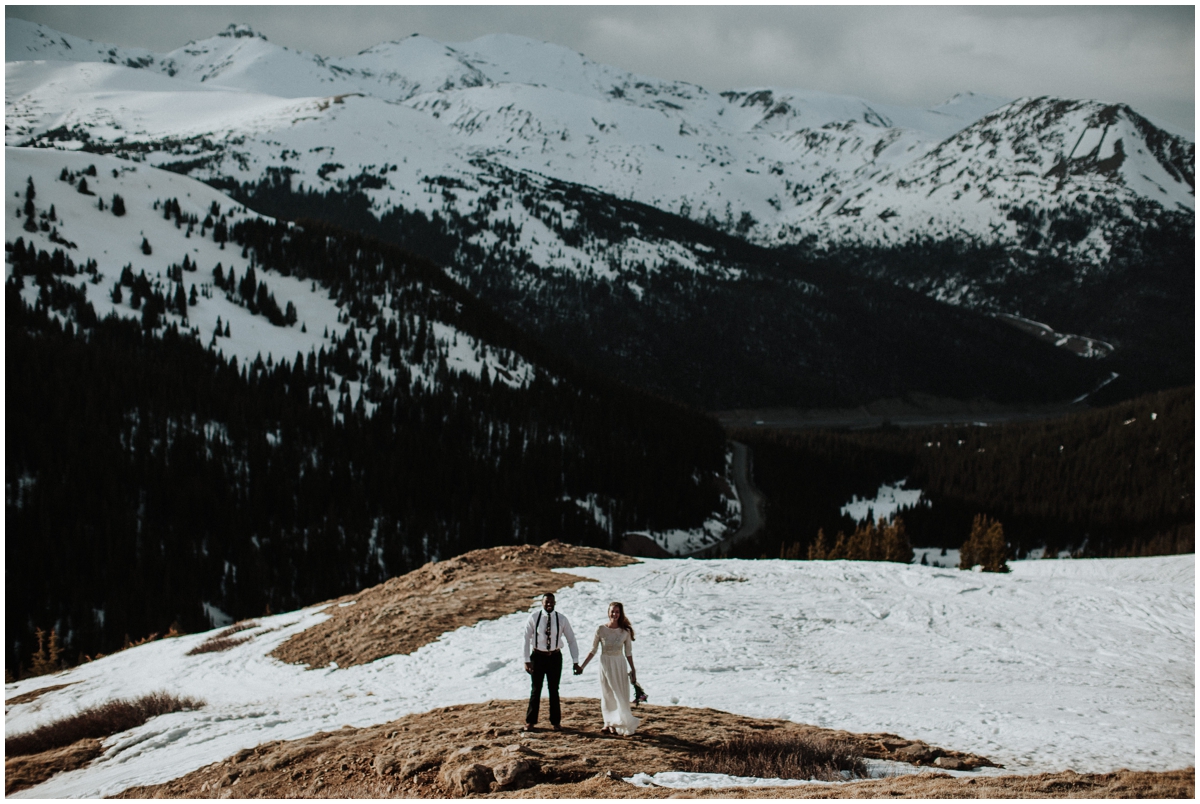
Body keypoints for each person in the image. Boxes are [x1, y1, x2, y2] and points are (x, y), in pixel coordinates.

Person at [577, 601, 640, 736]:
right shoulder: (601, 629)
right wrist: (582, 666)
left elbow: (628, 653)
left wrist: (633, 669)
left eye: (617, 612)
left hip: (619, 664)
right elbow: (593, 650)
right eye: (612, 611)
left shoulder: (625, 632)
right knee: (607, 694)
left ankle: (618, 722)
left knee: (619, 693)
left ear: (620, 614)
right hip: (605, 664)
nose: (614, 614)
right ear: (608, 612)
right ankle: (608, 723)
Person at [522, 592, 580, 731]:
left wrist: (575, 661)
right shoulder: (534, 617)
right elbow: (525, 639)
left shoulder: (561, 619)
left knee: (554, 690)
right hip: (537, 656)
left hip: (554, 657)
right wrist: (526, 660)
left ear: (555, 603)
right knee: (536, 689)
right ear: (542, 602)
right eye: (546, 602)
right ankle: (530, 721)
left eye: (551, 602)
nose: (549, 604)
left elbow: (571, 639)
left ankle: (556, 722)